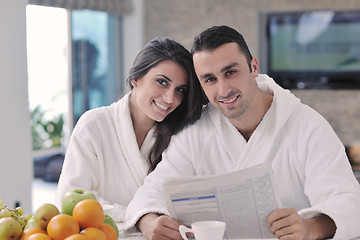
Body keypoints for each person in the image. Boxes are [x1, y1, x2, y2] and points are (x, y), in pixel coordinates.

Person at [125, 26, 360, 240]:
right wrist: (150, 223)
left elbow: (349, 204)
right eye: (210, 79)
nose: (223, 89)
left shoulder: (308, 126)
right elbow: (149, 194)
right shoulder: (196, 132)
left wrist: (309, 228)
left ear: (254, 67)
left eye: (230, 72)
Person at [55, 37, 204, 224]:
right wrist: (139, 217)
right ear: (136, 78)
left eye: (180, 90)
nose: (170, 98)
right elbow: (70, 201)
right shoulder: (94, 125)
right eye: (162, 82)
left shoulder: (180, 133)